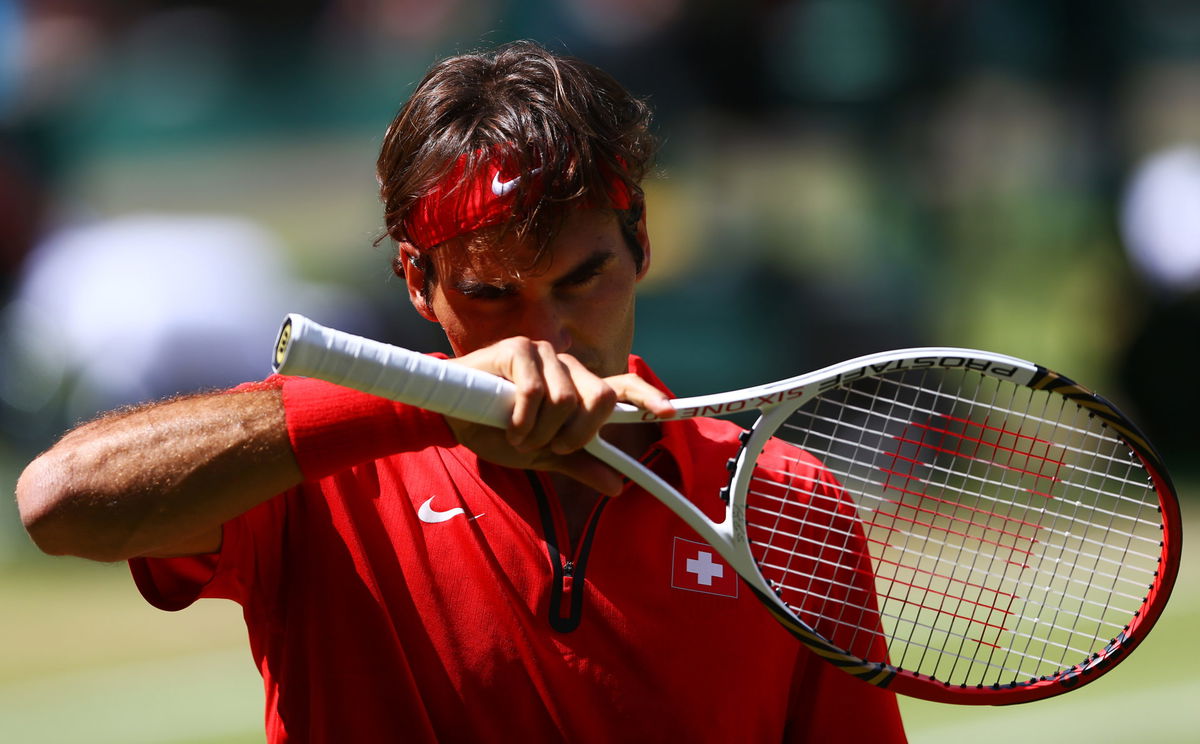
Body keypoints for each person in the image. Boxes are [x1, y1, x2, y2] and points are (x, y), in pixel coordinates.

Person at [16, 41, 906, 742]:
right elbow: (58, 502)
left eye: (581, 279)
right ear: (417, 283)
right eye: (491, 295)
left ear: (640, 247)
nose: (545, 339)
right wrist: (414, 406)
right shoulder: (325, 471)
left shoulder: (789, 502)